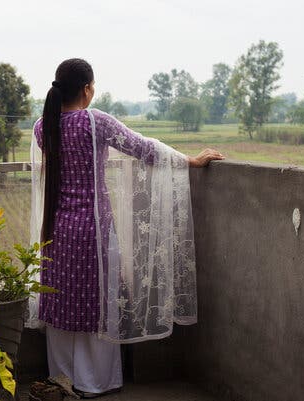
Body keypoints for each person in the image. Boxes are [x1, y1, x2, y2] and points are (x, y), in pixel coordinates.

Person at [28, 58, 223, 399]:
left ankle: (62, 377)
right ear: (87, 89)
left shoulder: (42, 126)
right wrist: (189, 160)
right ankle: (93, 382)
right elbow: (144, 148)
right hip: (92, 229)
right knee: (96, 301)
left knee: (61, 303)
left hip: (56, 229)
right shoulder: (93, 121)